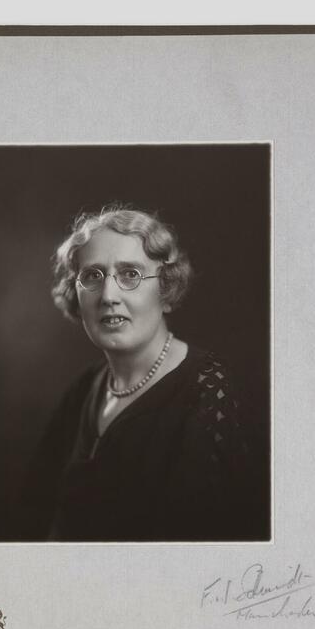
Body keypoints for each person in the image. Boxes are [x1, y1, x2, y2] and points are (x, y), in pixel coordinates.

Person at [24, 205, 263, 541]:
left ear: (165, 290)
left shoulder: (208, 394)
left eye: (130, 275)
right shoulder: (84, 391)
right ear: (75, 294)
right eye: (93, 276)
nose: (109, 296)